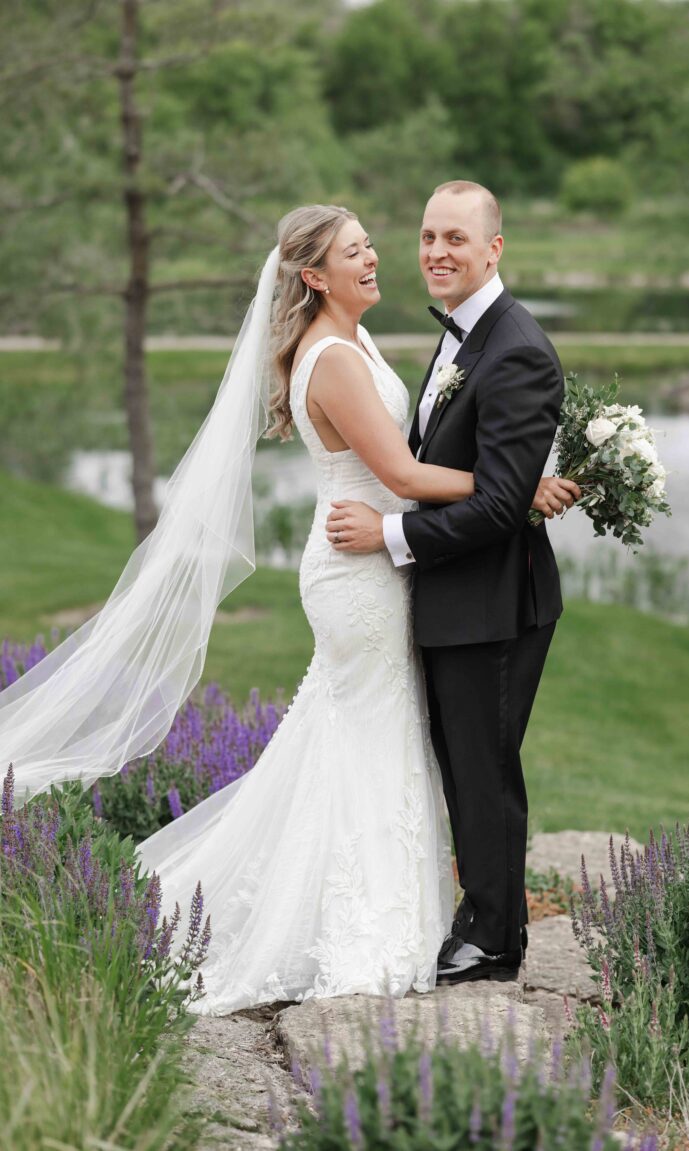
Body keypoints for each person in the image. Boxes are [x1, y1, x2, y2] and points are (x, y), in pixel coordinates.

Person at [1, 200, 576, 1012]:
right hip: (359, 564)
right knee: (367, 731)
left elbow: (411, 452)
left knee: (365, 733)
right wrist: (514, 489)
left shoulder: (353, 338)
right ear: (315, 275)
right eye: (355, 251)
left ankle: (401, 912)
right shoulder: (333, 356)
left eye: (373, 244)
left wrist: (497, 490)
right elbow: (403, 475)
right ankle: (365, 922)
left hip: (378, 557)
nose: (376, 258)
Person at [325, 181, 579, 986]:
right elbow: (476, 470)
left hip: (493, 603)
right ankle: (482, 915)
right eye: (429, 236)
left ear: (494, 248)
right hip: (458, 598)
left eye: (456, 239)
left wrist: (390, 534)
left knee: (483, 768)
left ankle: (494, 938)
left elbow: (501, 505)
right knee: (462, 763)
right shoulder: (467, 332)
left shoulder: (517, 348)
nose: (437, 251)